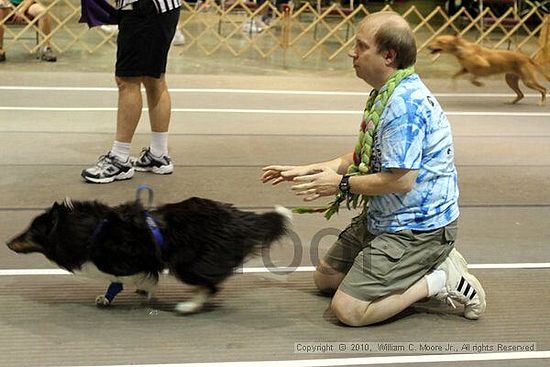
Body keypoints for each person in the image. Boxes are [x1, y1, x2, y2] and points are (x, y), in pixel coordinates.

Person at [261, 11, 486, 326]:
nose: (351, 52)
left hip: (416, 230)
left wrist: (339, 184)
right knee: (325, 280)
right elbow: (365, 155)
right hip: (385, 215)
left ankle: (440, 279)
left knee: (349, 311)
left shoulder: (404, 107)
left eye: (361, 46)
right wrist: (309, 169)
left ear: (388, 56)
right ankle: (421, 267)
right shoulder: (388, 93)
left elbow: (401, 181)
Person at [81, 0, 181, 183]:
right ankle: (159, 155)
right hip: (163, 9)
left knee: (127, 81)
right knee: (154, 78)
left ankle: (119, 159)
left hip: (144, 9)